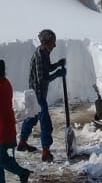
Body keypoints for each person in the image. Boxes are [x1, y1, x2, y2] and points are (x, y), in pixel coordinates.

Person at [16, 28, 67, 161]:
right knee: (46, 123)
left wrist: (57, 65)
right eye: (53, 42)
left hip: (37, 93)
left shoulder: (45, 53)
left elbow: (47, 68)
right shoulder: (39, 55)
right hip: (37, 95)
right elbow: (42, 79)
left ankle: (22, 143)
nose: (55, 45)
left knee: (32, 118)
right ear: (46, 42)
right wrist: (57, 74)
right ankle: (45, 152)